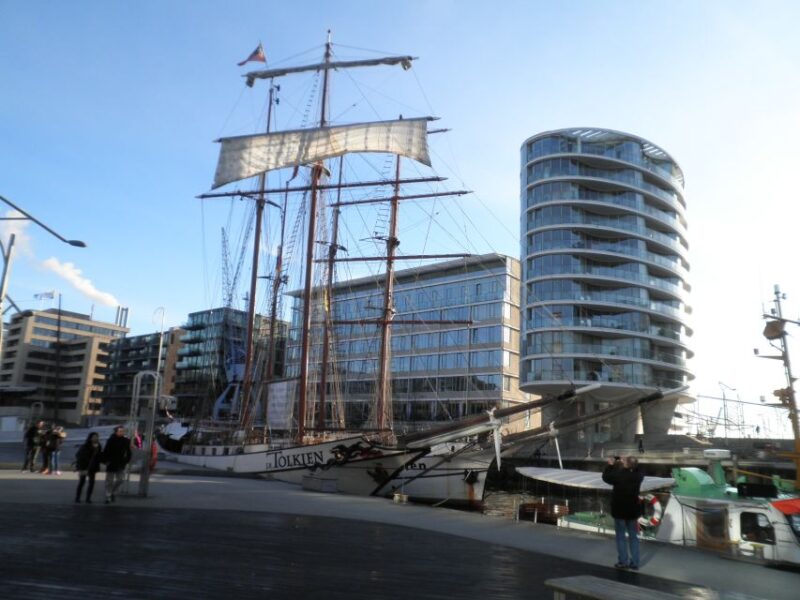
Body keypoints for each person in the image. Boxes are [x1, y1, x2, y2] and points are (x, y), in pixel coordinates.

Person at [602, 455, 644, 570]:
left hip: (619, 510)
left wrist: (611, 465)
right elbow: (638, 468)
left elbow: (606, 477)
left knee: (621, 537)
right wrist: (628, 462)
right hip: (632, 511)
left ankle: (623, 561)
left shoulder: (618, 475)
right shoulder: (639, 475)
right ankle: (635, 563)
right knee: (633, 536)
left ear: (626, 464)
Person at [102, 426, 132, 503]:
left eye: (123, 431)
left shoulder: (126, 441)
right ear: (116, 432)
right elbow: (106, 451)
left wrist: (127, 460)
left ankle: (113, 492)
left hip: (121, 463)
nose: (122, 432)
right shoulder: (111, 440)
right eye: (120, 431)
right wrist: (105, 461)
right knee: (109, 481)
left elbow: (129, 452)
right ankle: (108, 496)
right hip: (111, 462)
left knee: (120, 479)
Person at [74, 432, 103, 503]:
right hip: (84, 466)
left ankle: (88, 498)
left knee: (92, 483)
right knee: (82, 482)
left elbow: (99, 456)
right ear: (90, 438)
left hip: (93, 467)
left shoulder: (98, 446)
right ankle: (77, 498)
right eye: (94, 437)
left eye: (96, 437)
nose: (95, 438)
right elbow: (79, 455)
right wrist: (80, 466)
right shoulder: (85, 446)